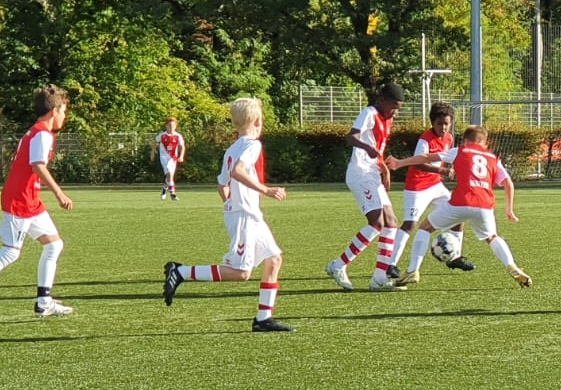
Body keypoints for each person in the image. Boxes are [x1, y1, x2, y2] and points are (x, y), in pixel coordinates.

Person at [160, 98, 293, 332]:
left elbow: (222, 184)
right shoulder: (252, 145)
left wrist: (231, 202)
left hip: (248, 213)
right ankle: (180, 271)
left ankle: (263, 319)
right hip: (243, 215)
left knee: (274, 260)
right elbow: (238, 171)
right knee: (241, 273)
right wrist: (266, 190)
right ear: (258, 121)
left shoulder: (232, 149)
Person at [0, 85, 75, 327]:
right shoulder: (42, 134)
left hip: (30, 200)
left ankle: (44, 301)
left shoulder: (37, 132)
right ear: (54, 111)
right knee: (10, 251)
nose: (64, 116)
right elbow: (38, 165)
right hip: (20, 199)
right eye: (63, 111)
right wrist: (60, 194)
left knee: (54, 244)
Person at [385, 125, 532, 288]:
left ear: (465, 141)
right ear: (485, 143)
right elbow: (508, 182)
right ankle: (512, 266)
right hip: (484, 206)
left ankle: (413, 270)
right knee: (492, 237)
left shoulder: (460, 151)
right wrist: (509, 209)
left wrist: (400, 162)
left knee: (425, 228)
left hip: (461, 202)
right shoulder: (493, 158)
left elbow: (426, 157)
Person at [326, 83, 404, 292]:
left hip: (372, 174)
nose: (395, 112)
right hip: (360, 173)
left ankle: (379, 278)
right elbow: (351, 137)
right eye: (393, 107)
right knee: (377, 223)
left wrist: (383, 168)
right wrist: (367, 147)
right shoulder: (369, 113)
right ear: (382, 100)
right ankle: (338, 265)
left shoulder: (388, 120)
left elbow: (378, 150)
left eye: (398, 108)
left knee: (391, 222)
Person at [385, 102, 476, 274]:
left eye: (446, 124)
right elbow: (419, 163)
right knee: (410, 224)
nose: (443, 128)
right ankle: (390, 264)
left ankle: (455, 257)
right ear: (432, 123)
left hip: (435, 185)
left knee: (457, 215)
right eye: (439, 124)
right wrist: (442, 171)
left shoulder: (449, 138)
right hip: (417, 187)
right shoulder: (425, 140)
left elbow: (447, 157)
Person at [157, 117, 185, 201]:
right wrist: (152, 153)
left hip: (173, 158)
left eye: (173, 125)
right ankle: (173, 193)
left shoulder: (178, 136)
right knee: (169, 173)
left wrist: (181, 156)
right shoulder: (162, 135)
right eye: (169, 125)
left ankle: (164, 189)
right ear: (166, 126)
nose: (171, 127)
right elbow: (155, 142)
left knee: (170, 176)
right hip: (164, 158)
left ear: (175, 126)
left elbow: (182, 146)